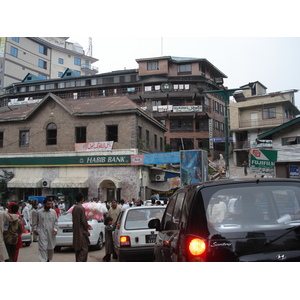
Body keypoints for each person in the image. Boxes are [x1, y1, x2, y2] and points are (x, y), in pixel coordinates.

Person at [32, 197, 58, 262]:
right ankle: (43, 261)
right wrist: (35, 229)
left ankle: (48, 259)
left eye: (50, 204)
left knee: (50, 249)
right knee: (42, 248)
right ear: (44, 204)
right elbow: (35, 222)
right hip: (42, 233)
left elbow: (56, 222)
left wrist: (55, 229)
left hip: (51, 234)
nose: (49, 205)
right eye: (48, 204)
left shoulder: (53, 212)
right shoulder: (39, 212)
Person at [72, 193, 90, 262]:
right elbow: (83, 221)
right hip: (81, 232)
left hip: (76, 231)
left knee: (78, 250)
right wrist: (86, 228)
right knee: (84, 249)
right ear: (82, 199)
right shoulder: (81, 208)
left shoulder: (74, 208)